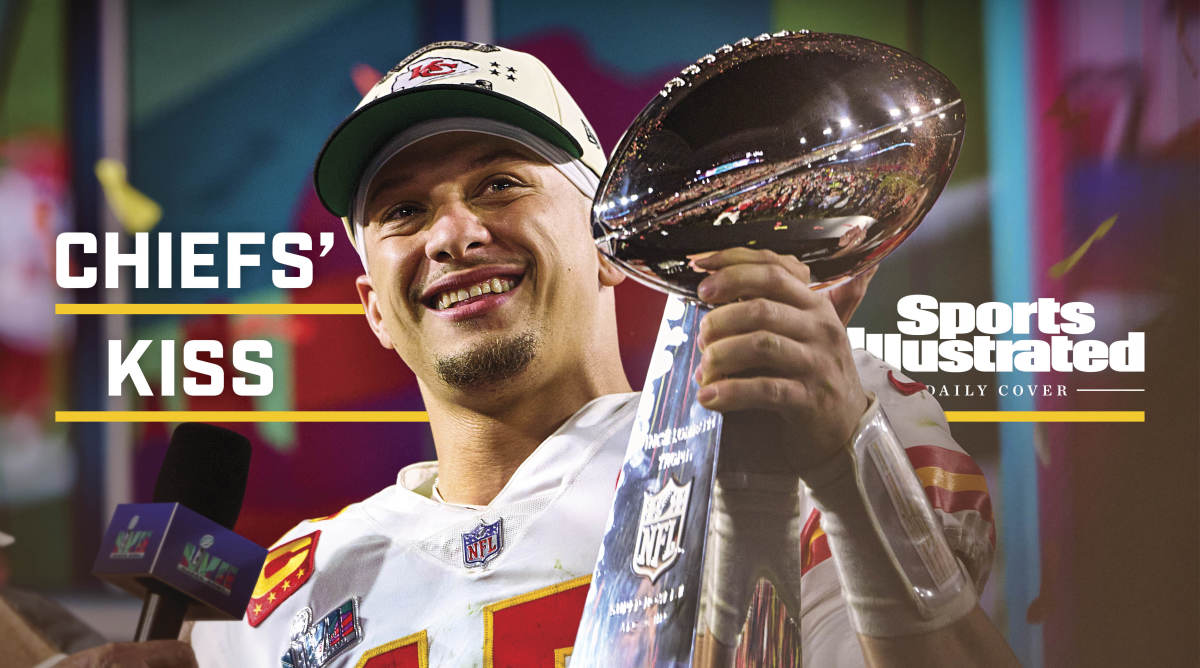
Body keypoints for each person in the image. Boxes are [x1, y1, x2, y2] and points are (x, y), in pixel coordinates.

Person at [114, 40, 1010, 666]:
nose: (454, 233)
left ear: (609, 246)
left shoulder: (791, 412)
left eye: (499, 182)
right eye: (403, 212)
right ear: (373, 310)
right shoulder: (300, 583)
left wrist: (847, 463)